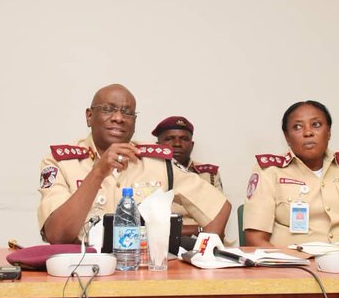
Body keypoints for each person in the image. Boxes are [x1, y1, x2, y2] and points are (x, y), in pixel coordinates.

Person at [38, 84, 231, 243]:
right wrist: (98, 172)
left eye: (127, 113)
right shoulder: (61, 162)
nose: (119, 118)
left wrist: (201, 257)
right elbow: (57, 235)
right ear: (89, 116)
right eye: (108, 109)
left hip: (143, 277)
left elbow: (218, 207)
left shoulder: (157, 163)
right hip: (83, 276)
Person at [243, 100, 339, 247]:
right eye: (298, 127)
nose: (308, 132)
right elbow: (255, 240)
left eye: (316, 125)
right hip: (293, 265)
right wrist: (294, 264)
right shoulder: (270, 172)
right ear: (287, 137)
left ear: (329, 132)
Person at [152, 115, 224, 235]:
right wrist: (199, 229)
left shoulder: (209, 174)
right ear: (158, 145)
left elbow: (219, 217)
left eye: (184, 139)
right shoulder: (147, 173)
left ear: (192, 145)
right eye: (169, 138)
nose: (177, 144)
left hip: (205, 241)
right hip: (162, 242)